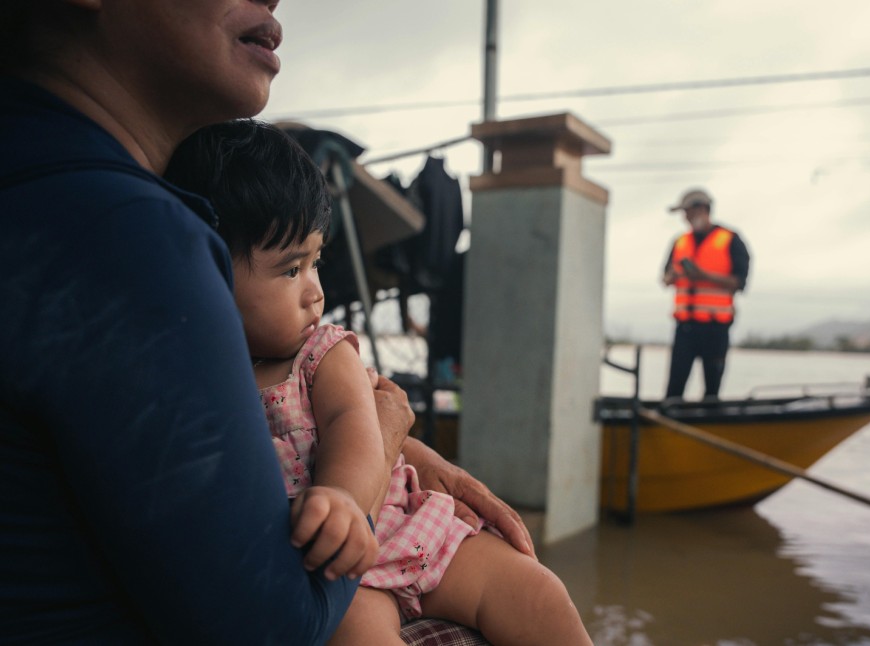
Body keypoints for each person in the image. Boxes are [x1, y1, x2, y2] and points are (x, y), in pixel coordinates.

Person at [0, 3, 532, 643]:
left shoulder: (38, 182)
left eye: (315, 262)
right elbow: (277, 625)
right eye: (287, 267)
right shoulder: (120, 232)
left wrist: (394, 446)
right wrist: (384, 441)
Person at [165, 119, 593, 646]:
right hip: (337, 576)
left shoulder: (322, 354)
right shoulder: (200, 377)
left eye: (315, 262)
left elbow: (356, 425)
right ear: (209, 272)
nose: (314, 293)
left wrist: (345, 497)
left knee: (535, 592)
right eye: (289, 270)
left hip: (404, 526)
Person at [661, 188, 751, 400]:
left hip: (715, 328)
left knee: (711, 391)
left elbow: (739, 282)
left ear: (702, 209)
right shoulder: (679, 242)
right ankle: (668, 426)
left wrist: (703, 275)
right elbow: (665, 278)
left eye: (688, 212)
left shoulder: (731, 240)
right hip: (685, 328)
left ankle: (708, 424)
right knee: (674, 390)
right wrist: (672, 276)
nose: (685, 218)